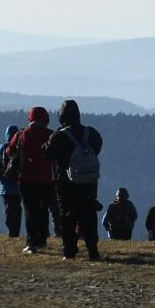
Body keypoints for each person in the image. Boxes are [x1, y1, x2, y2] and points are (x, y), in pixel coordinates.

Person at [42, 100, 103, 260]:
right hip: (89, 183)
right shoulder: (91, 133)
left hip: (66, 183)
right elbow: (97, 148)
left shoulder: (60, 136)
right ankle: (92, 248)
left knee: (68, 216)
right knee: (88, 215)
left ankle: (69, 250)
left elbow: (47, 155)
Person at [6, 106, 58, 253]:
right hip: (47, 179)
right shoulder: (51, 135)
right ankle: (42, 240)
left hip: (26, 179)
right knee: (43, 210)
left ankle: (31, 243)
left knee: (30, 210)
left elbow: (9, 151)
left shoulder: (21, 134)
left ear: (30, 118)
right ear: (46, 119)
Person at [0, 124, 22, 238]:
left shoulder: (0, 148)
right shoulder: (21, 147)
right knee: (17, 209)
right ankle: (16, 231)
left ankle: (11, 231)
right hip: (19, 185)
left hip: (5, 185)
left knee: (8, 208)